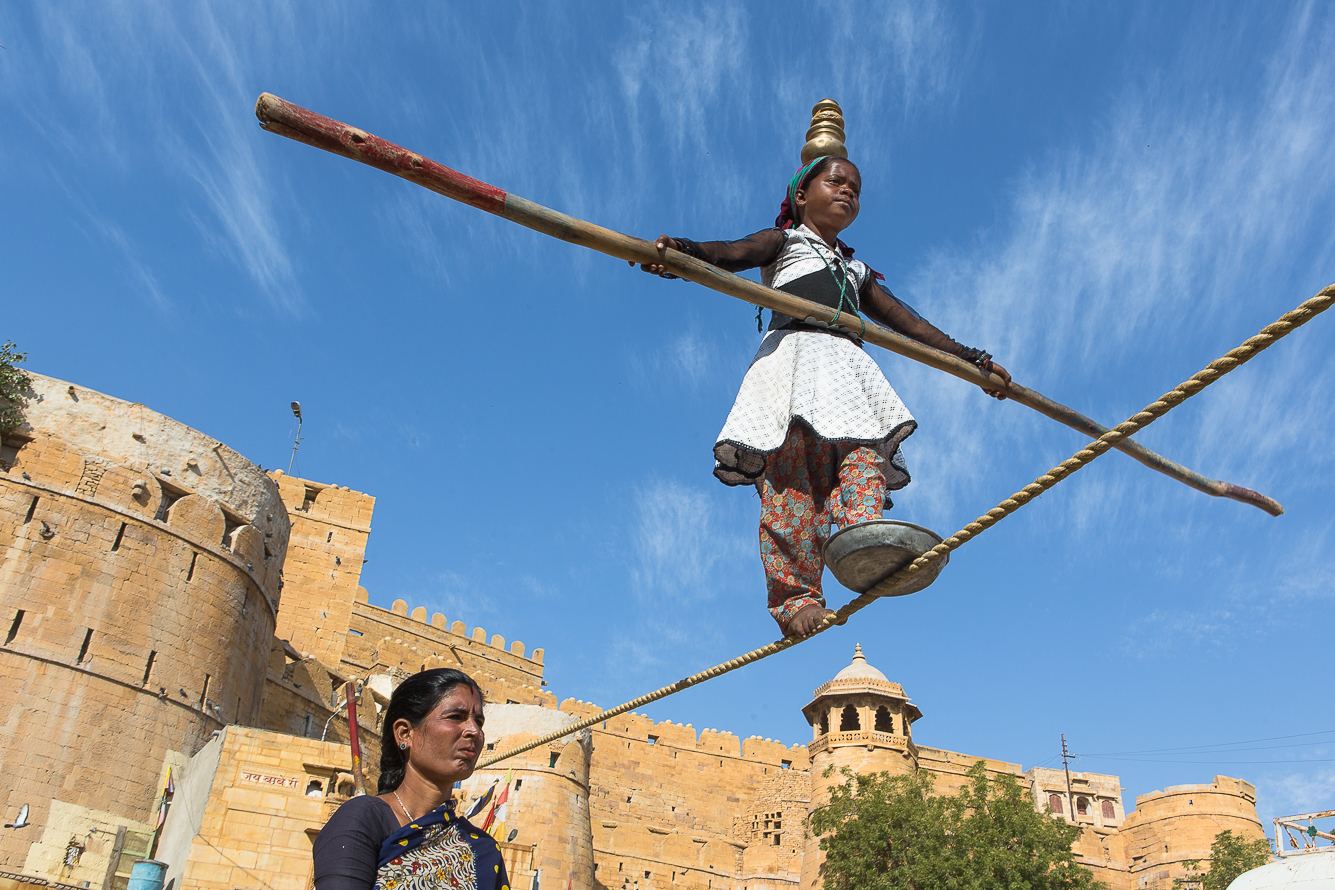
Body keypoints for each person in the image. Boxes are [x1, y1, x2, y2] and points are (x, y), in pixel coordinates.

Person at [640, 155, 1011, 639]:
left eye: (855, 188)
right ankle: (797, 598)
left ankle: (865, 542)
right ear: (801, 196)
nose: (847, 192)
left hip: (848, 378)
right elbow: (729, 253)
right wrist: (680, 253)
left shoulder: (856, 271)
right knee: (791, 488)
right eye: (835, 181)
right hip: (793, 370)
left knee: (862, 466)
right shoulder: (785, 242)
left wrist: (973, 361)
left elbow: (911, 326)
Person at [312, 669, 510, 890]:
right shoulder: (362, 818)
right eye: (456, 717)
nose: (474, 731)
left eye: (479, 721)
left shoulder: (483, 849)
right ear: (405, 734)